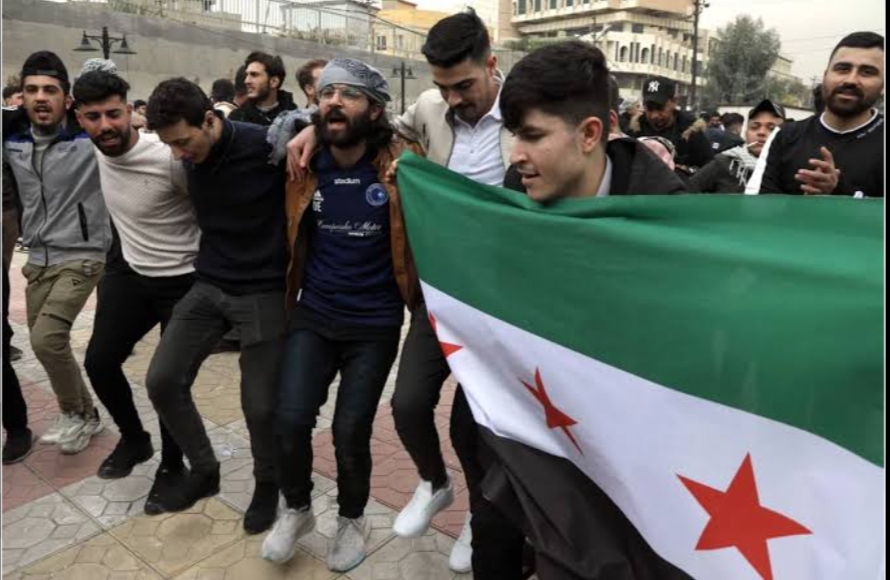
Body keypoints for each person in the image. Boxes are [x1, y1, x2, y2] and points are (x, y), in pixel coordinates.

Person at [281, 11, 509, 573]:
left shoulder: (524, 113)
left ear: (491, 65)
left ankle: (481, 519)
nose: (453, 99)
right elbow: (370, 123)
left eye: (464, 86)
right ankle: (433, 482)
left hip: (506, 299)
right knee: (407, 404)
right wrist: (308, 125)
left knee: (477, 427)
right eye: (443, 87)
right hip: (440, 292)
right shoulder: (429, 109)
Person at [489, 40, 687, 579]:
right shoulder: (518, 188)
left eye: (533, 136)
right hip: (539, 423)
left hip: (632, 449)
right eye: (513, 135)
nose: (516, 155)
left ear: (590, 133)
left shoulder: (666, 216)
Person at [261, 58, 417, 572]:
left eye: (348, 94)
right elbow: (257, 129)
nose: (333, 101)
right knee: (289, 419)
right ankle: (298, 508)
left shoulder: (402, 163)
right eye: (326, 93)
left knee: (350, 430)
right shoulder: (303, 162)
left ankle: (352, 519)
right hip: (315, 312)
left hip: (375, 322)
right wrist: (302, 129)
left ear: (373, 109)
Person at [144, 78, 287, 533]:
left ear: (209, 119)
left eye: (183, 142)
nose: (177, 155)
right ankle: (204, 470)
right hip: (210, 284)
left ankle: (268, 484)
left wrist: (305, 124)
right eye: (169, 145)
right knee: (162, 379)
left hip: (264, 289)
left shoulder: (265, 146)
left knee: (260, 406)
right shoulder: (185, 154)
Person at [72, 71, 200, 514]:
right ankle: (134, 439)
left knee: (165, 381)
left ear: (129, 111)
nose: (105, 126)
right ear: (79, 118)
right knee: (98, 361)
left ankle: (173, 465)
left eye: (113, 114)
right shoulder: (93, 147)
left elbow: (206, 209)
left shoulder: (168, 158)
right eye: (93, 117)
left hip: (183, 280)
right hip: (131, 274)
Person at [3, 51, 111, 454]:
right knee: (51, 346)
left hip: (84, 254)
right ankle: (89, 414)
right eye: (31, 90)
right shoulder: (12, 138)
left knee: (47, 341)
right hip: (38, 259)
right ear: (21, 97)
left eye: (50, 90)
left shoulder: (88, 138)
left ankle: (72, 414)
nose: (40, 97)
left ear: (68, 99)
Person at [748, 31, 884, 197]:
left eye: (867, 72)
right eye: (842, 69)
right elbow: (761, 206)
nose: (850, 80)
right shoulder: (786, 136)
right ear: (825, 76)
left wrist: (839, 192)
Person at [689, 99, 785, 193]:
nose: (761, 132)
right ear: (745, 132)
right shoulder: (725, 162)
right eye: (754, 127)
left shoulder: (790, 170)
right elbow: (686, 192)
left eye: (771, 128)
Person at [626, 76, 714, 174]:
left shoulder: (690, 130)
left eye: (660, 108)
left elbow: (709, 167)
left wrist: (685, 172)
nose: (654, 115)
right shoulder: (635, 129)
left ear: (674, 101)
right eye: (649, 109)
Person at [229, 51, 296, 126]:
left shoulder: (295, 119)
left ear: (274, 82)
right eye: (247, 75)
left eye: (254, 75)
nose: (246, 81)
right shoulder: (237, 119)